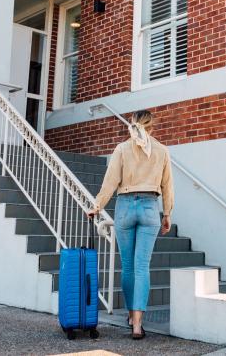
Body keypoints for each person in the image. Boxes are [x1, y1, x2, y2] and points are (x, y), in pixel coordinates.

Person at [87, 109, 174, 340]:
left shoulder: (122, 148)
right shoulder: (162, 151)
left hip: (125, 206)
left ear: (132, 125)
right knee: (142, 266)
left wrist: (97, 207)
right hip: (149, 207)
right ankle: (138, 324)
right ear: (152, 126)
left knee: (127, 266)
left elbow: (110, 181)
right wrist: (167, 214)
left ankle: (130, 316)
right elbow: (168, 186)